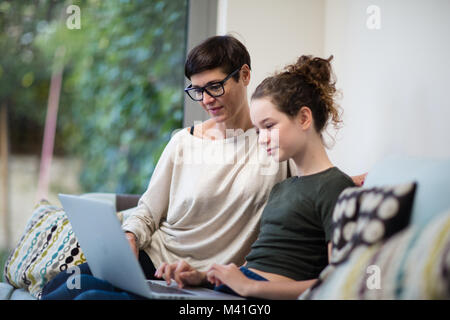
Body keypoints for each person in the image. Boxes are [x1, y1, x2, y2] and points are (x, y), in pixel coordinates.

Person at [40, 35, 295, 300]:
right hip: (151, 259)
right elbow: (149, 210)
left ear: (244, 75)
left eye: (215, 86)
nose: (206, 99)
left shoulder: (274, 144)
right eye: (197, 90)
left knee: (86, 297)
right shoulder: (183, 142)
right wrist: (130, 236)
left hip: (198, 279)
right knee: (60, 286)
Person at [155, 55, 356, 300]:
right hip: (230, 290)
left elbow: (342, 282)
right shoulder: (283, 188)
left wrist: (251, 287)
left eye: (269, 126)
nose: (261, 139)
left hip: (253, 295)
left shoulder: (336, 188)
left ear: (304, 118)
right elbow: (260, 263)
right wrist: (202, 276)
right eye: (258, 130)